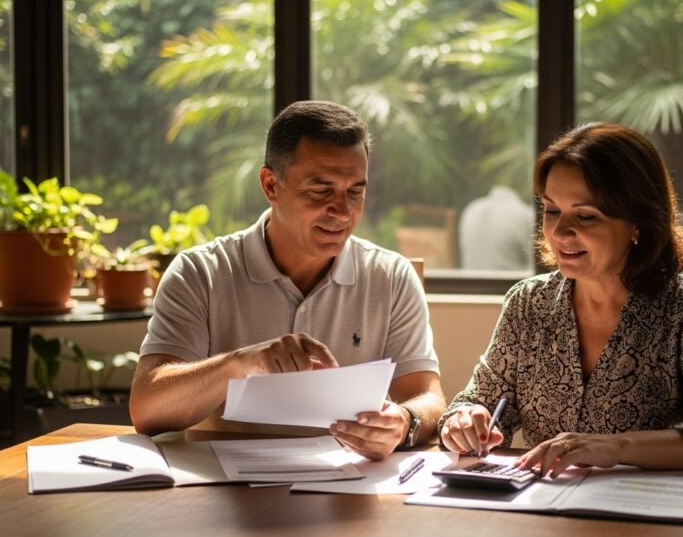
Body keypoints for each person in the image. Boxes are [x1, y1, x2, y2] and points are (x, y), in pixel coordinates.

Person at [439, 122, 683, 476]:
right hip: (541, 514)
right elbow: (478, 401)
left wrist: (617, 447)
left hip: (646, 517)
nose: (560, 232)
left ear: (638, 223)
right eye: (552, 211)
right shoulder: (528, 304)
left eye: (586, 216)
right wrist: (462, 420)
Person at [130, 100, 446, 461]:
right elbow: (146, 411)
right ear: (270, 185)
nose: (342, 211)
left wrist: (405, 421)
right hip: (226, 493)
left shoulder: (391, 276)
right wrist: (240, 364)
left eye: (355, 191)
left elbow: (429, 397)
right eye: (320, 190)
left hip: (349, 493)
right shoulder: (200, 272)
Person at [458, 185, 534, 271]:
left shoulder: (471, 209)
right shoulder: (523, 214)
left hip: (470, 282)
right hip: (508, 283)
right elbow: (536, 264)